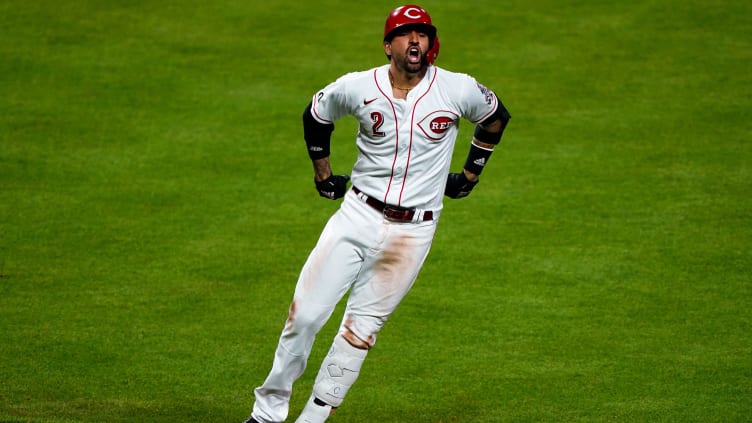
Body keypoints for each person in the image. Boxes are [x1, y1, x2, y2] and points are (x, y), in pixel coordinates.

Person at [244, 4, 511, 422]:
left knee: (359, 333)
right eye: (406, 34)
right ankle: (266, 413)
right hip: (357, 216)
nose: (415, 41)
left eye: (423, 33)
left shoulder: (456, 89)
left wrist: (471, 174)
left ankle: (312, 419)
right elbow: (316, 116)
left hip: (414, 232)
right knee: (306, 315)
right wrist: (323, 175)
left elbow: (495, 117)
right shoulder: (357, 86)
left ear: (431, 43)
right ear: (389, 46)